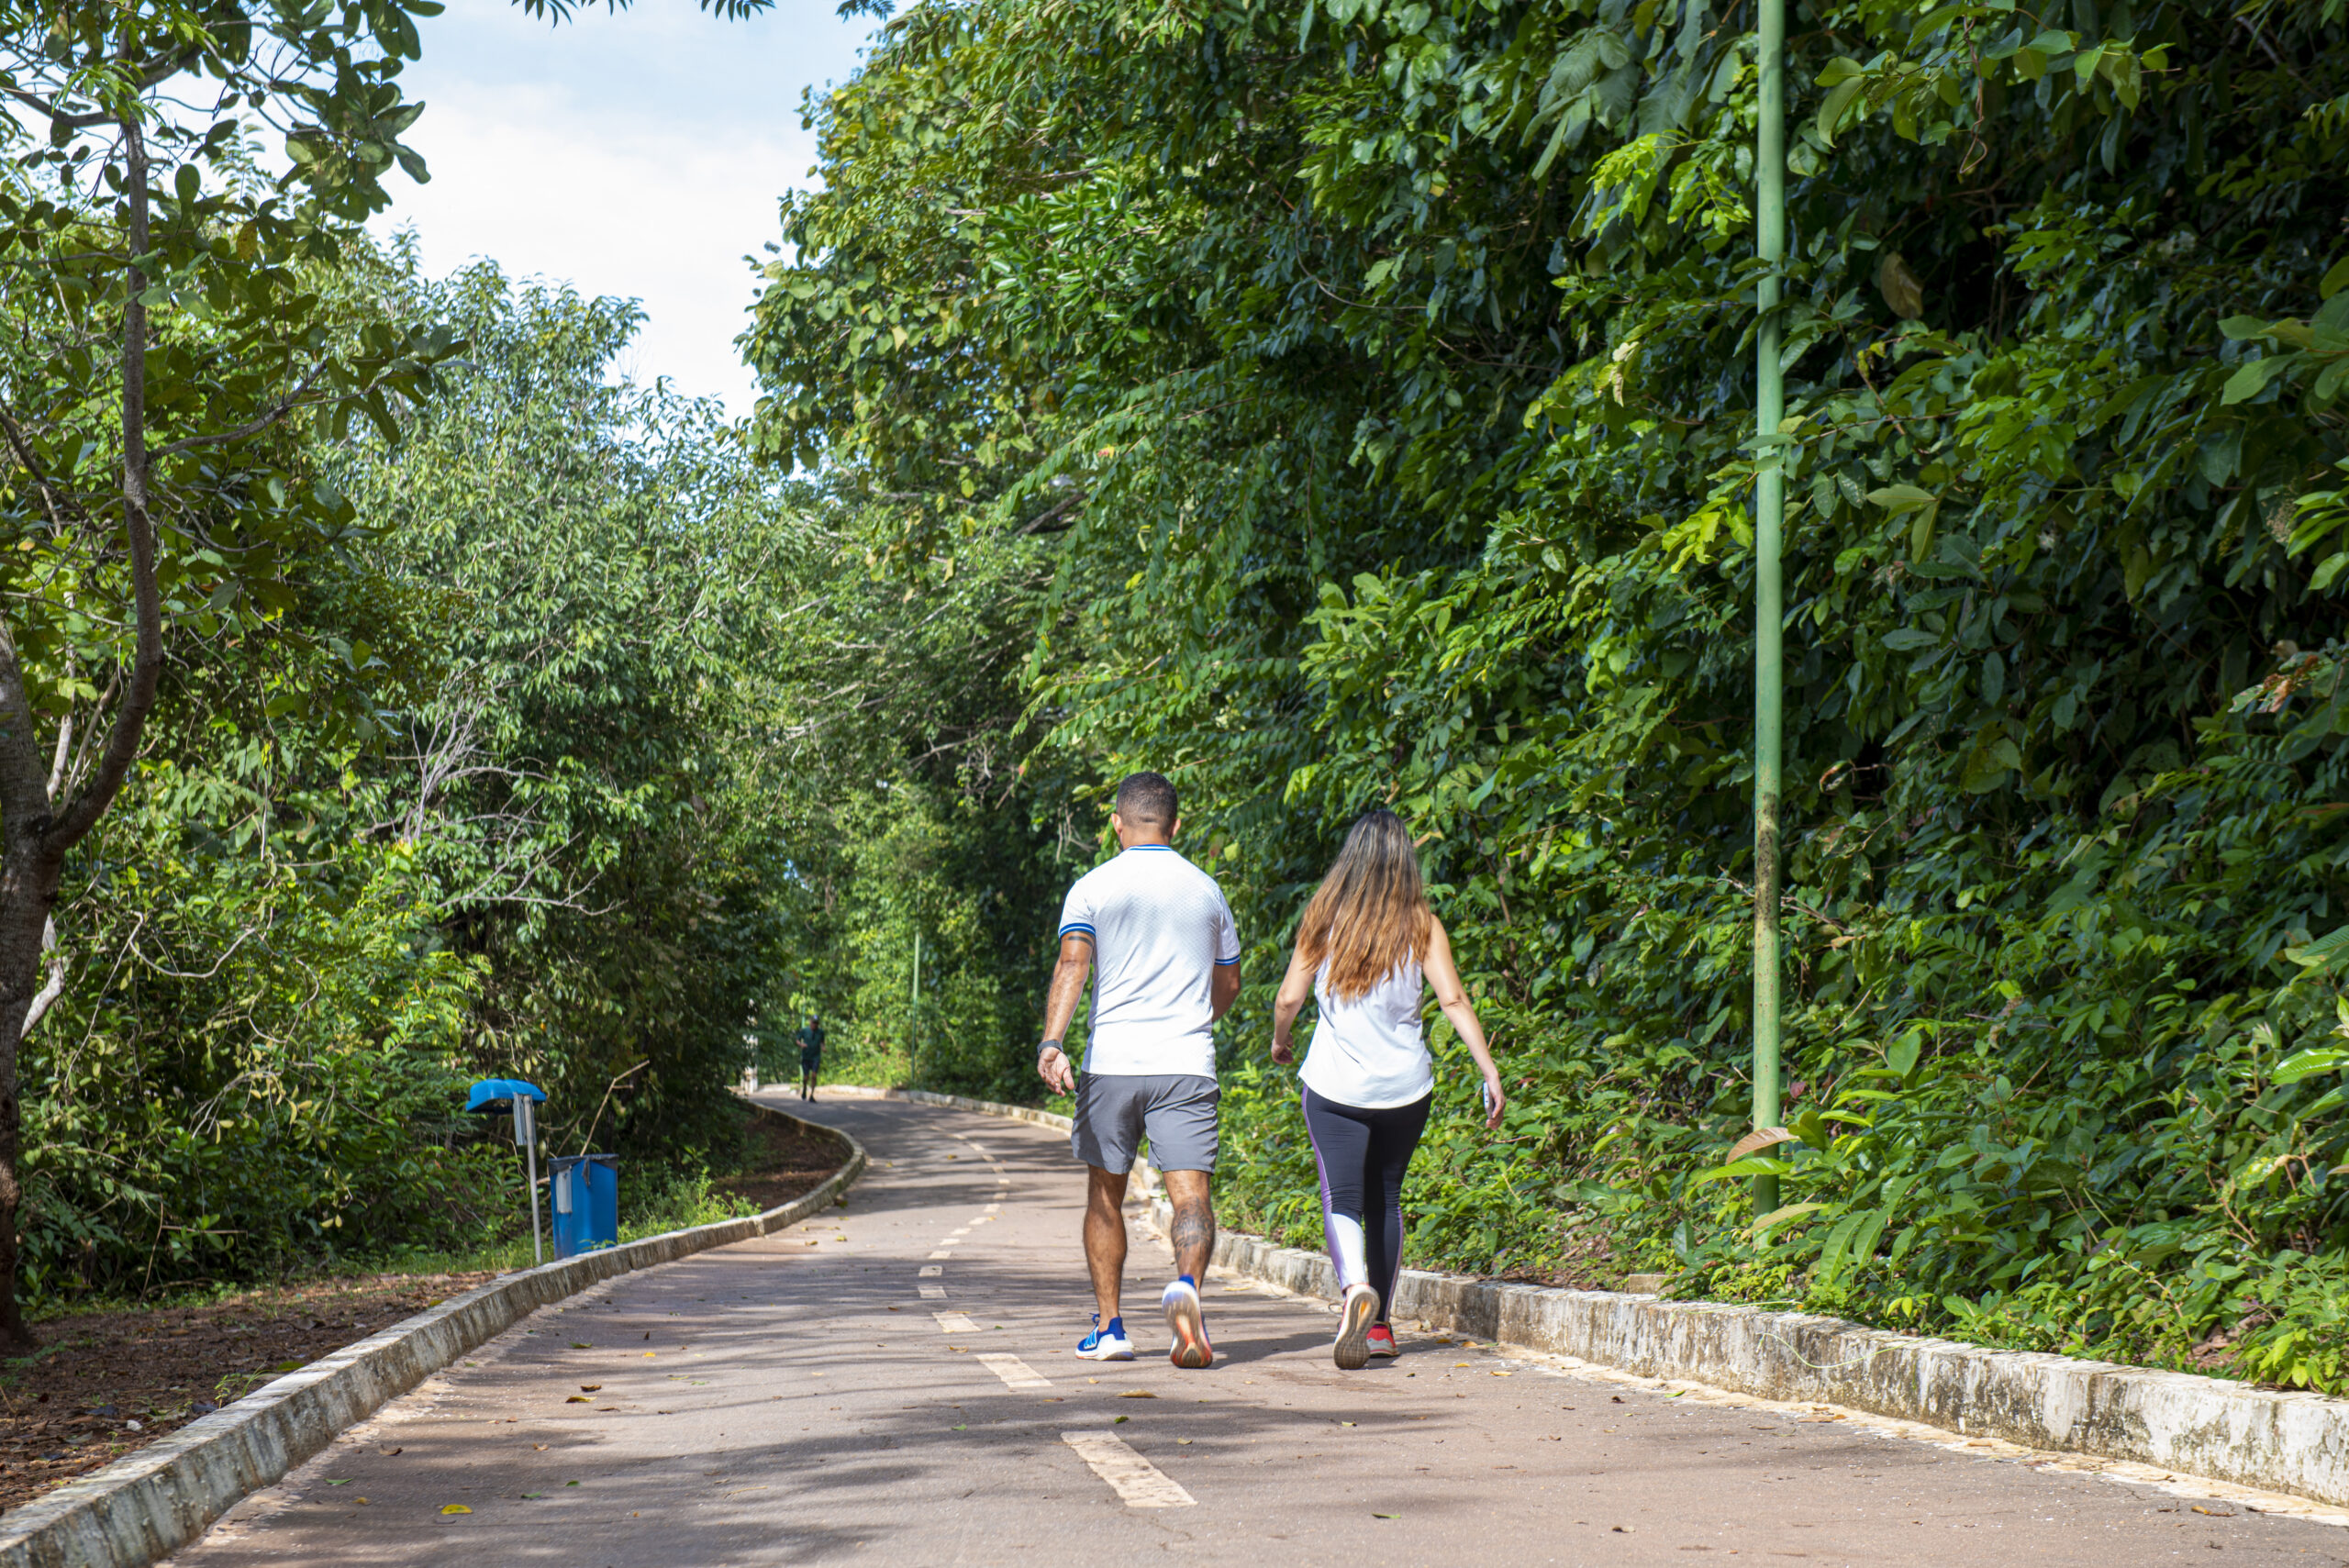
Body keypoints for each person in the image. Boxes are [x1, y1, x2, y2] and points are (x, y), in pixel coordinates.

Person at [1270, 807, 1503, 1370]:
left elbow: (1289, 998)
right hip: (1406, 1089)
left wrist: (1280, 1040)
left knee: (1342, 1197)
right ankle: (1379, 1329)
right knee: (1386, 1199)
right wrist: (1489, 1070)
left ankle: (1355, 1289)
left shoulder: (1324, 917)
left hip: (1335, 1086)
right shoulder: (1422, 924)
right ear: (1404, 860)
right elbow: (1453, 1000)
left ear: (1351, 857)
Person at [1038, 772, 1240, 1368]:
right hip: (1186, 1063)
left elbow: (1072, 966)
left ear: (1116, 825)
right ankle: (1187, 1290)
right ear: (1176, 824)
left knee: (1106, 1194)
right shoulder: (1207, 890)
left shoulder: (1092, 887)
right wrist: (1195, 1021)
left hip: (1113, 1063)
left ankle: (1110, 1329)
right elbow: (1229, 981)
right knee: (1191, 1195)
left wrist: (1052, 1042)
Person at [796, 1014, 826, 1101]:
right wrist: (801, 1045)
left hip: (816, 1057)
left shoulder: (820, 1032)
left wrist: (823, 1048)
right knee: (806, 1077)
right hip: (806, 1057)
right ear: (810, 1022)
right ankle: (804, 1088)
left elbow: (822, 1042)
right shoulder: (805, 1031)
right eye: (813, 1023)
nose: (815, 1025)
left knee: (814, 1075)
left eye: (816, 1023)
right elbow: (797, 1040)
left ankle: (812, 1094)